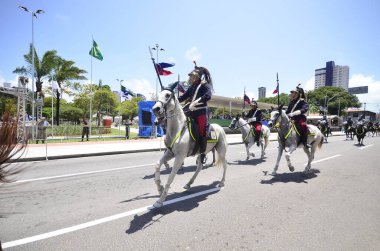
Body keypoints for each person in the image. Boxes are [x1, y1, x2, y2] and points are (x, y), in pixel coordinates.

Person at [178, 66, 213, 164]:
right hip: (190, 111)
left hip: (200, 112)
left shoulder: (204, 85)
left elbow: (208, 96)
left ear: (198, 77)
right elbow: (183, 97)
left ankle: (202, 153)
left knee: (202, 131)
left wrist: (197, 101)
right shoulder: (192, 87)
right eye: (191, 76)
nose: (192, 78)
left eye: (193, 76)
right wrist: (172, 98)